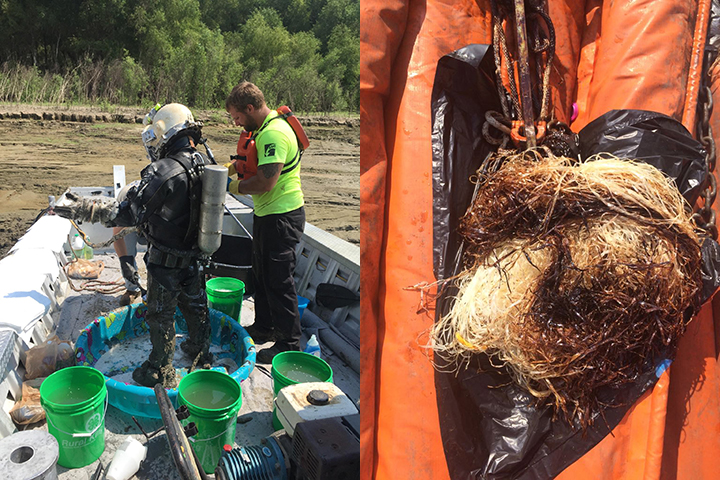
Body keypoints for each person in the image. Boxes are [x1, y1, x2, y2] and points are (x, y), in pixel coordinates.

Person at [55, 103, 212, 388]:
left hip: (166, 261)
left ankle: (161, 369)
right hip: (194, 256)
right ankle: (201, 351)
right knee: (195, 304)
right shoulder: (205, 164)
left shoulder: (164, 170)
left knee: (160, 315)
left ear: (163, 133)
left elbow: (126, 212)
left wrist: (83, 209)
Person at [225, 81, 305, 364]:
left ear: (250, 108)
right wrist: (229, 168)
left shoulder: (274, 134)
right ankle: (264, 327)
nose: (236, 123)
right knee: (261, 274)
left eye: (237, 117)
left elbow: (266, 181)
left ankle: (288, 344)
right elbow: (248, 161)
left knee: (279, 280)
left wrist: (231, 186)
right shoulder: (260, 129)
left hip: (282, 217)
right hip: (266, 215)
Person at [113, 180, 147, 306]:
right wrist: (125, 262)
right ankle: (132, 288)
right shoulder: (124, 201)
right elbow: (117, 236)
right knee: (127, 249)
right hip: (131, 222)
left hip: (157, 226)